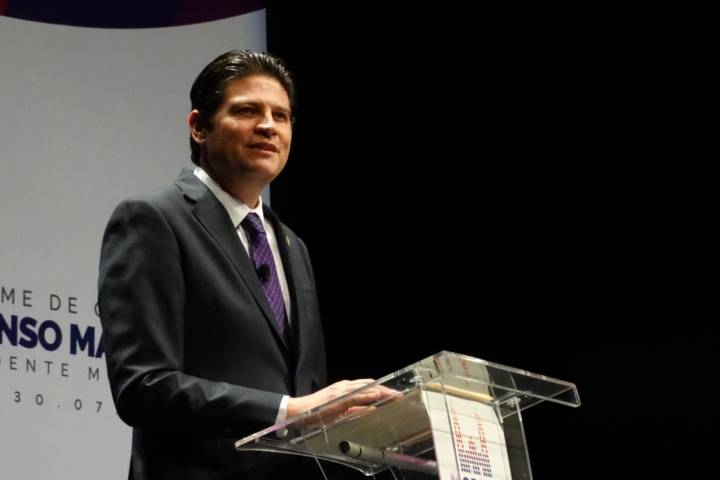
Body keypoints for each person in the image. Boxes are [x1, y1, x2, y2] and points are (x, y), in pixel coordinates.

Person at [98, 50, 385, 480]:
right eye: (248, 110)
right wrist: (289, 410)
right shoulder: (154, 220)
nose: (268, 125)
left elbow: (304, 395)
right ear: (199, 127)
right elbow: (143, 387)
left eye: (281, 116)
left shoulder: (294, 247)